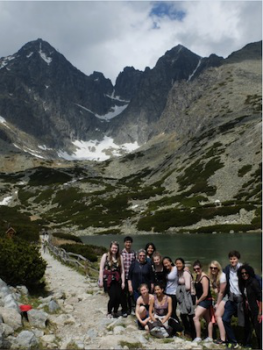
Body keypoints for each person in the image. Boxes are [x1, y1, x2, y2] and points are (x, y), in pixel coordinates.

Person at [222, 250, 244, 348]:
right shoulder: (227, 268)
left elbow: (253, 277)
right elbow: (221, 276)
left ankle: (246, 342)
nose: (232, 260)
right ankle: (233, 341)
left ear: (237, 259)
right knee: (225, 319)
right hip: (231, 298)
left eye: (234, 259)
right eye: (231, 259)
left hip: (241, 298)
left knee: (243, 322)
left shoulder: (242, 268)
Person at [237, 264, 262, 349]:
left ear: (249, 272)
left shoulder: (253, 282)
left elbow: (260, 297)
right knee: (247, 328)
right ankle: (247, 344)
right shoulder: (242, 283)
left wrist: (260, 313)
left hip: (256, 310)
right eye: (242, 273)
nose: (244, 274)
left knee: (259, 330)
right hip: (247, 310)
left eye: (246, 273)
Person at [99, 241, 125, 318]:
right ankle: (109, 312)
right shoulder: (105, 256)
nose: (114, 249)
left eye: (116, 248)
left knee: (118, 296)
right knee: (113, 296)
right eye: (113, 248)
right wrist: (100, 280)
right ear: (110, 248)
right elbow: (101, 269)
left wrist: (123, 282)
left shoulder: (120, 257)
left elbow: (122, 270)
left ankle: (115, 311)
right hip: (108, 280)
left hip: (117, 279)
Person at [192, 260, 213, 343]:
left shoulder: (204, 278)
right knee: (208, 319)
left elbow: (205, 293)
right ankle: (210, 337)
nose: (196, 271)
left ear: (201, 268)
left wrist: (198, 301)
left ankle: (198, 337)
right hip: (203, 300)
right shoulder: (197, 277)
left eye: (198, 269)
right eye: (194, 269)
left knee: (196, 317)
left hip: (206, 300)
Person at [207, 260, 227, 345]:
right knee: (218, 316)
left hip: (226, 297)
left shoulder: (222, 276)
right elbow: (216, 290)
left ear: (218, 268)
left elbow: (221, 292)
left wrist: (217, 304)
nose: (213, 269)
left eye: (215, 268)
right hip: (220, 297)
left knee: (218, 315)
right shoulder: (213, 277)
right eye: (211, 268)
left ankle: (223, 338)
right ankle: (223, 336)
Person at [175, 257, 196, 340]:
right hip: (183, 296)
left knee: (190, 315)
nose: (178, 265)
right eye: (176, 263)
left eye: (180, 263)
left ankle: (193, 334)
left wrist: (179, 288)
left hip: (189, 295)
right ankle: (188, 332)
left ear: (183, 264)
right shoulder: (178, 272)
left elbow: (187, 287)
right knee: (183, 315)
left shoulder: (185, 273)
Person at [121, 236, 136, 316]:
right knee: (123, 294)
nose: (128, 244)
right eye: (127, 242)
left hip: (131, 277)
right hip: (123, 277)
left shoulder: (133, 253)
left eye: (129, 242)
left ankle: (131, 308)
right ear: (124, 243)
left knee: (131, 293)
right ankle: (124, 309)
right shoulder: (121, 253)